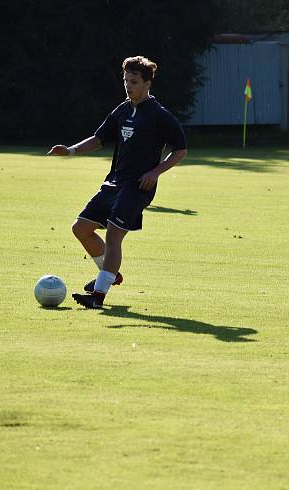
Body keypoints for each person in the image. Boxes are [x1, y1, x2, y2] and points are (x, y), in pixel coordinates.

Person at [48, 56, 188, 309]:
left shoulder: (159, 115)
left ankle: (98, 296)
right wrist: (69, 151)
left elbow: (180, 150)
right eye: (125, 80)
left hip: (138, 187)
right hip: (114, 182)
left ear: (147, 83)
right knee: (80, 228)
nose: (128, 85)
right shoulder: (122, 110)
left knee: (113, 236)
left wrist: (155, 172)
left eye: (133, 81)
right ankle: (109, 273)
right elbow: (99, 138)